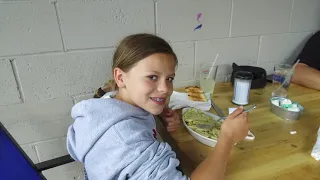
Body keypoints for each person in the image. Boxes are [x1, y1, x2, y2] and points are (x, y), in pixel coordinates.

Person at [66, 33, 249, 180]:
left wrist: (157, 115)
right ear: (120, 78)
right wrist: (227, 138)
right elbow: (128, 144)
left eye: (169, 78)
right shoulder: (127, 142)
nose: (165, 89)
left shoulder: (106, 105)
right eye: (152, 77)